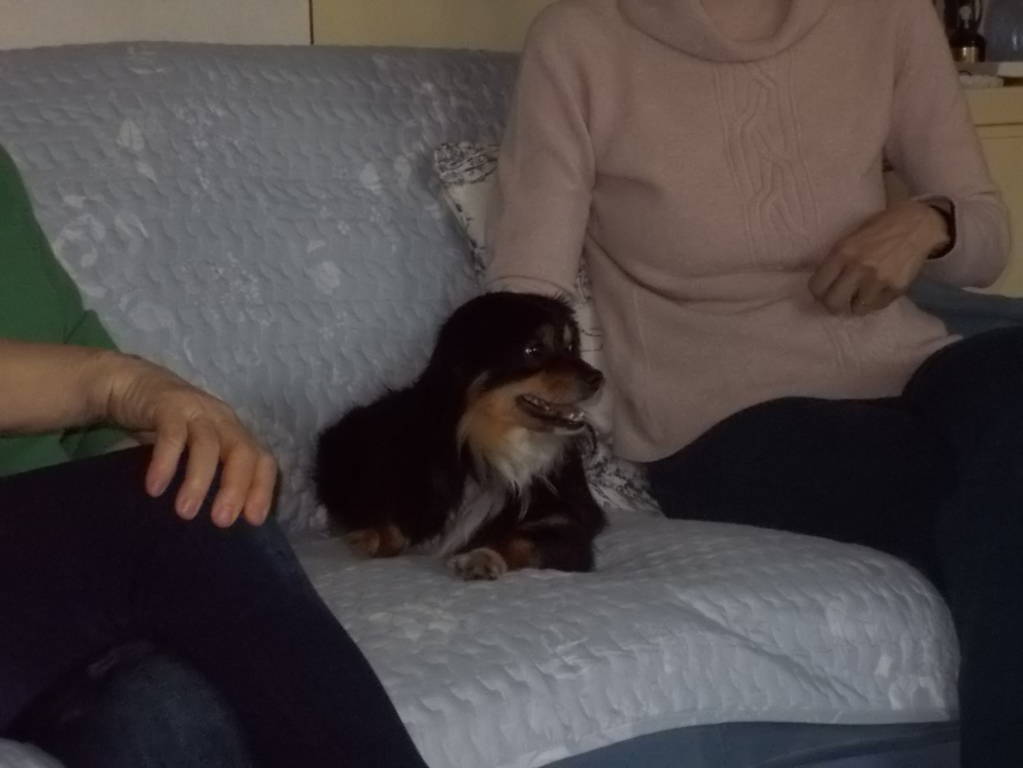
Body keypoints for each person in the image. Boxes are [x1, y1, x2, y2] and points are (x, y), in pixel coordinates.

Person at [486, 0, 1018, 765]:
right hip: (724, 418)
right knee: (990, 500)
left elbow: (984, 244)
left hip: (907, 365)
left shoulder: (887, 15)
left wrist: (929, 220)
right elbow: (527, 286)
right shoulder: (581, 37)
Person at [0, 144, 427, 768]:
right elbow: (98, 381)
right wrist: (116, 386)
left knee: (169, 710)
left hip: (44, 594)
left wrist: (189, 459)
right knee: (176, 506)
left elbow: (75, 361)